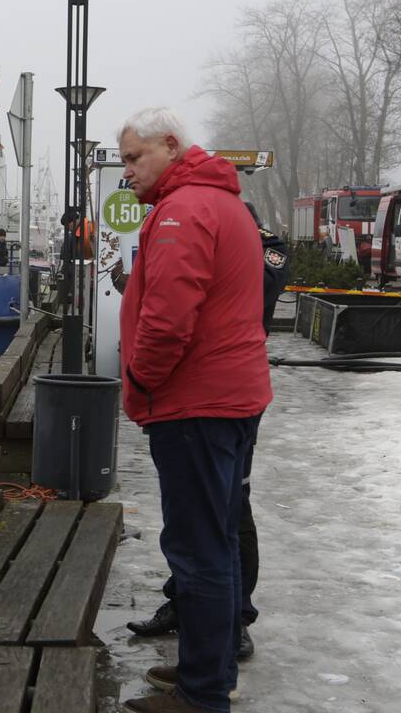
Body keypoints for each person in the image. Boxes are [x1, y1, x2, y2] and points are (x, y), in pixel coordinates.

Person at [117, 107, 272, 713]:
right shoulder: (222, 202)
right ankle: (210, 667)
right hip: (231, 396)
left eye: (135, 157)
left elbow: (167, 317)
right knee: (222, 536)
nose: (127, 171)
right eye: (124, 159)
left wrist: (139, 379)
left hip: (195, 404)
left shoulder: (183, 210)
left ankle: (202, 695)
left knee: (198, 546)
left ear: (171, 146)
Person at [127, 201, 289, 665]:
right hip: (192, 395)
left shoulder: (265, 250)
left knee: (231, 507)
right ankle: (185, 601)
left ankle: (235, 620)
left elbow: (243, 295)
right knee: (190, 516)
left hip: (227, 396)